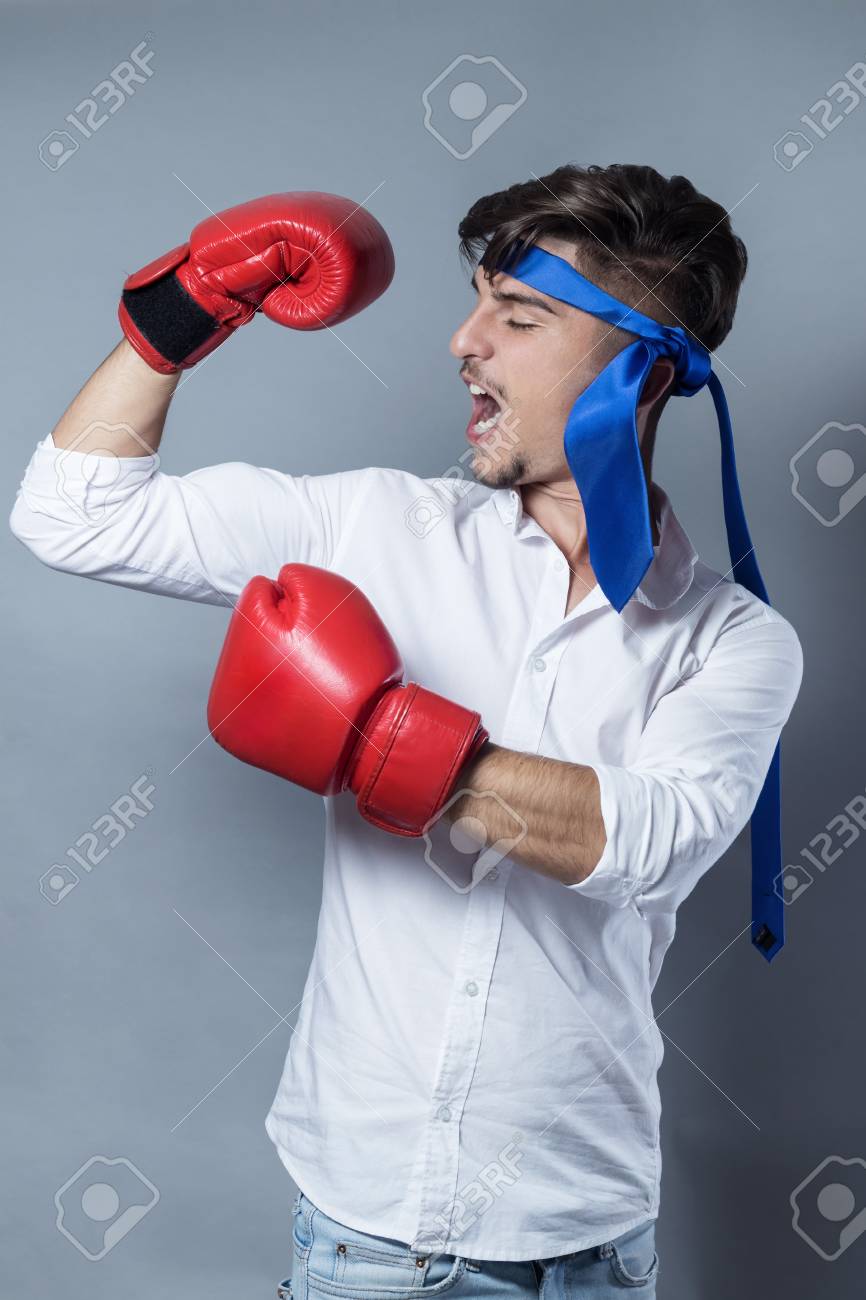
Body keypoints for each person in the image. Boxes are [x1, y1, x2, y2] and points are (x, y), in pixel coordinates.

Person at [9, 166, 803, 1298]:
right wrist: (186, 306)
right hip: (365, 1242)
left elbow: (655, 839)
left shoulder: (732, 639)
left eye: (516, 316)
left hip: (585, 1239)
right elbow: (70, 515)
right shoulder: (373, 526)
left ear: (641, 361)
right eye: (476, 302)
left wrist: (377, 735)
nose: (461, 342)